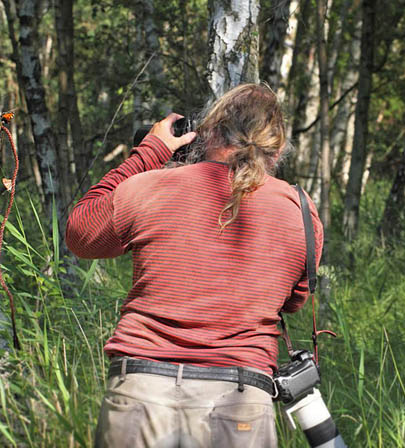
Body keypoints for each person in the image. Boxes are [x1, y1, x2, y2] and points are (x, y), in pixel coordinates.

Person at [66, 83, 323, 448]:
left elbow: (80, 233)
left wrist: (149, 153)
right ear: (277, 148)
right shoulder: (299, 209)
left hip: (142, 389)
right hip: (241, 398)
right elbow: (293, 299)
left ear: (208, 131)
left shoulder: (151, 187)